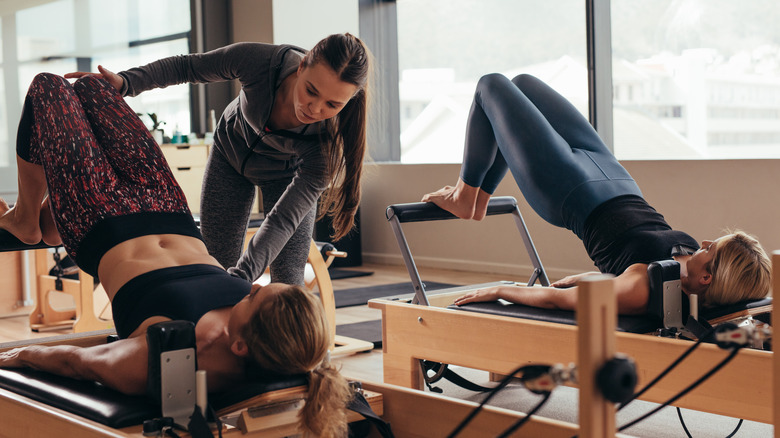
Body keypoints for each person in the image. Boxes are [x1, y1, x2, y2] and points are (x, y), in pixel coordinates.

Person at [0, 73, 351, 437]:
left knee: (48, 87)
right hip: (168, 209)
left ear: (240, 345)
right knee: (93, 88)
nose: (252, 287)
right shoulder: (275, 331)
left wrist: (21, 355)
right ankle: (50, 213)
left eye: (254, 297)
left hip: (101, 222)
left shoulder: (167, 358)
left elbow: (77, 362)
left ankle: (29, 218)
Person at [422, 73, 771, 314]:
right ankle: (476, 199)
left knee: (491, 86)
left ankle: (466, 198)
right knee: (523, 86)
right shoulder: (686, 264)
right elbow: (615, 272)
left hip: (568, 191)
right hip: (613, 176)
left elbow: (562, 301)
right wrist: (594, 276)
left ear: (706, 278)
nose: (705, 242)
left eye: (711, 249)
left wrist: (501, 290)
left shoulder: (645, 288)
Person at [65, 32, 371, 286]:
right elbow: (189, 67)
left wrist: (243, 277)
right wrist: (127, 82)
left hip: (286, 176)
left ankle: (291, 356)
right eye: (311, 91)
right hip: (230, 157)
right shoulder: (262, 62)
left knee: (287, 279)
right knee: (215, 263)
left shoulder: (325, 145)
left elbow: (280, 221)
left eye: (332, 104)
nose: (314, 109)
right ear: (302, 66)